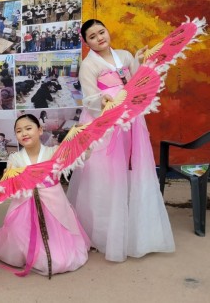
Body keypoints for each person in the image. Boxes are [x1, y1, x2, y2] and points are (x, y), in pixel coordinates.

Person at [67, 19, 174, 262]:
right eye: (92, 36)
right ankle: (101, 232)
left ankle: (132, 226)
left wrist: (141, 62)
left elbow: (136, 83)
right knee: (103, 172)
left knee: (132, 167)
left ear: (107, 31)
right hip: (104, 122)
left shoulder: (124, 56)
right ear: (86, 42)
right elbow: (89, 97)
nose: (99, 38)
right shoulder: (89, 65)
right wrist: (104, 102)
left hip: (130, 120)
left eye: (101, 32)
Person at [0, 114, 90, 276]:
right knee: (19, 238)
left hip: (54, 205)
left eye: (28, 128)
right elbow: (10, 183)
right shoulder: (15, 158)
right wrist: (9, 178)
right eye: (19, 131)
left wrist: (83, 139)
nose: (24, 133)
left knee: (60, 261)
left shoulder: (54, 151)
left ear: (40, 130)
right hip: (24, 207)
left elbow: (83, 155)